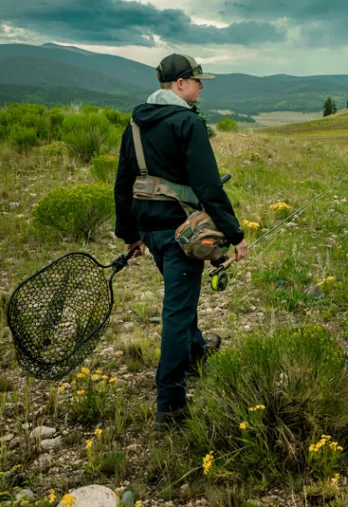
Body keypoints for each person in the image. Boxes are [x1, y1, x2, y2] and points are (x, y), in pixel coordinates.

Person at [113, 53, 248, 430]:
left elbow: (123, 184)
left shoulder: (135, 124)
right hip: (183, 233)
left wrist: (131, 234)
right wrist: (236, 235)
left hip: (152, 232)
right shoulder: (188, 123)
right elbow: (207, 186)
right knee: (178, 310)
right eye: (197, 80)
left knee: (180, 298)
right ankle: (170, 403)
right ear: (180, 84)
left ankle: (197, 352)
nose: (201, 86)